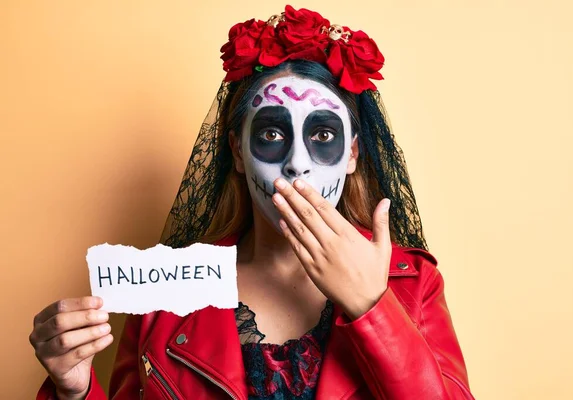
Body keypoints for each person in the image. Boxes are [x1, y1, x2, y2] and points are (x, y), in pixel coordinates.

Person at [31, 5, 475, 399]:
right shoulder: (167, 288)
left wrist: (372, 307)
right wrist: (76, 391)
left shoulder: (413, 282)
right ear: (238, 153)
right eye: (271, 134)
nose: (297, 164)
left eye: (322, 135)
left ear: (353, 154)